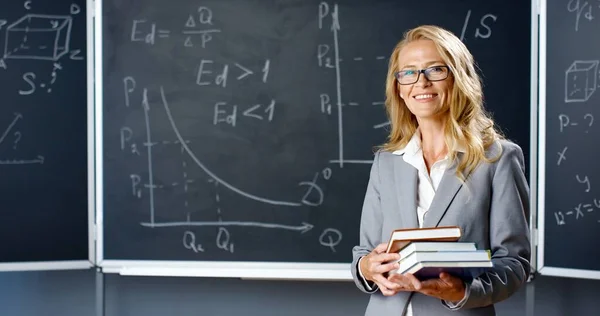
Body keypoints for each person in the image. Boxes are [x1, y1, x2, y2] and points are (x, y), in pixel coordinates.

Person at [350, 25, 531, 316]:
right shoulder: (387, 161)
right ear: (398, 87)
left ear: (458, 78)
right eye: (408, 72)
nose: (420, 83)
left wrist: (463, 292)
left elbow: (514, 263)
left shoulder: (498, 159)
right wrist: (366, 267)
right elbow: (365, 253)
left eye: (435, 70)